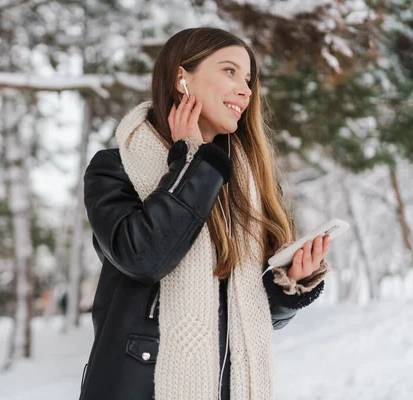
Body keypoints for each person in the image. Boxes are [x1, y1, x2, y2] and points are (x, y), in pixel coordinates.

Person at [79, 27, 331, 400]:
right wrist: (189, 161)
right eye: (229, 71)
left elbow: (253, 320)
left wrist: (290, 282)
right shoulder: (116, 169)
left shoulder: (249, 186)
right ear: (182, 78)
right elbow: (145, 256)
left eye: (248, 79)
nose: (245, 89)